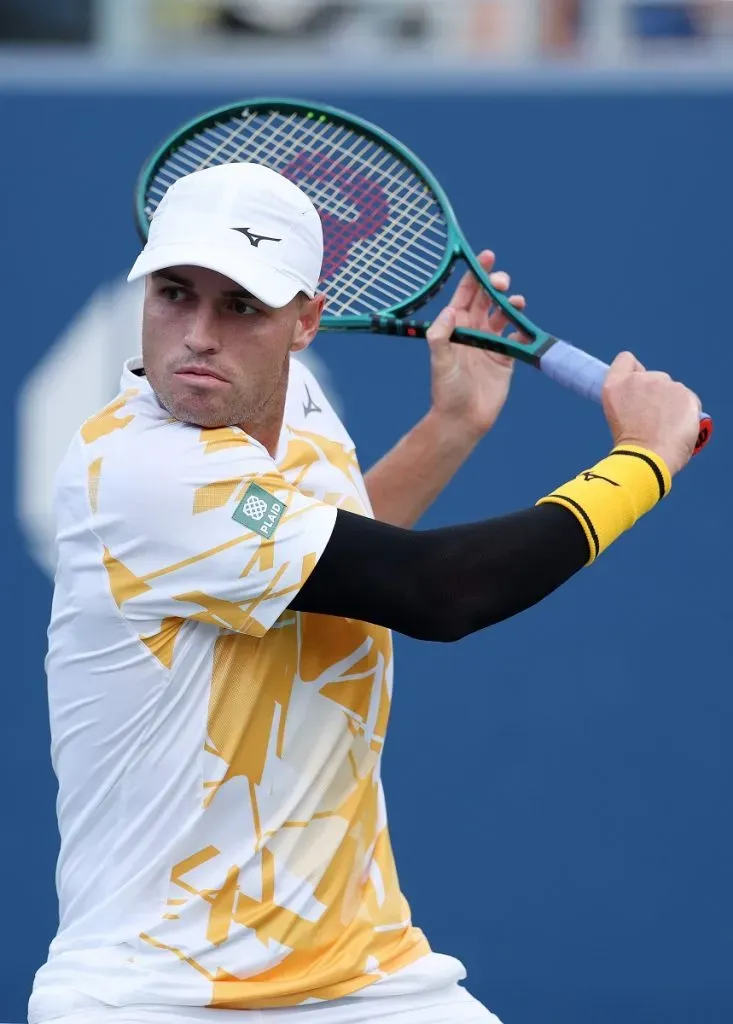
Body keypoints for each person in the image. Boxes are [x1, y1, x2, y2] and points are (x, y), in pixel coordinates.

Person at [29, 162, 701, 1024]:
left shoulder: (295, 408)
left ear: (305, 321)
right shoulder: (136, 467)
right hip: (155, 991)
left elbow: (329, 560)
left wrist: (450, 426)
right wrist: (643, 462)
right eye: (173, 293)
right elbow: (435, 592)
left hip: (366, 978)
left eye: (241, 305)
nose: (198, 334)